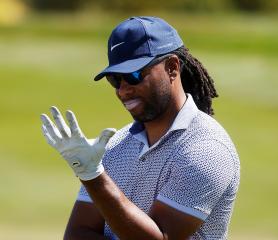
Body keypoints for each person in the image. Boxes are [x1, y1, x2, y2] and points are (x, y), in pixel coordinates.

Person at [40, 16, 240, 240]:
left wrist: (93, 176)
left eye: (134, 76)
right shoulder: (115, 146)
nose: (123, 91)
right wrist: (93, 173)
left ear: (172, 68)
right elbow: (77, 234)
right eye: (115, 80)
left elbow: (160, 237)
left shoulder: (207, 149)